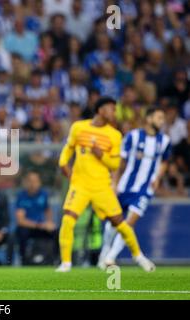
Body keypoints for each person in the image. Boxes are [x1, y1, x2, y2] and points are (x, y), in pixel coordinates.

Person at [56, 97, 155, 272]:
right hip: (80, 185)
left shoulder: (114, 135)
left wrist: (100, 155)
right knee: (68, 219)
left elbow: (115, 164)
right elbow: (68, 149)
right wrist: (64, 165)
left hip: (102, 187)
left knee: (120, 223)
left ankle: (139, 256)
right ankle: (66, 263)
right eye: (111, 108)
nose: (114, 113)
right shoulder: (79, 127)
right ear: (101, 110)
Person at [99, 107, 171, 268]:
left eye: (163, 118)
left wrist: (158, 177)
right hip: (125, 186)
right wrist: (115, 182)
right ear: (149, 118)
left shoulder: (164, 141)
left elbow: (165, 161)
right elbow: (121, 161)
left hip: (145, 189)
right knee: (114, 222)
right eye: (159, 117)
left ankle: (110, 257)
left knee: (129, 222)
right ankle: (105, 252)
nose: (162, 121)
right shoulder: (133, 136)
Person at [15, 171, 57, 265]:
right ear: (26, 182)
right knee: (22, 232)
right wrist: (39, 225)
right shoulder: (21, 196)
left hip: (41, 226)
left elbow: (47, 210)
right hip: (28, 227)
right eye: (30, 181)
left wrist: (49, 222)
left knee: (56, 231)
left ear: (40, 182)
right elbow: (20, 220)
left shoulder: (43, 195)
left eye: (35, 181)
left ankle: (55, 260)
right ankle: (24, 261)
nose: (33, 184)